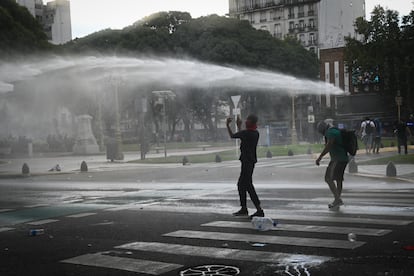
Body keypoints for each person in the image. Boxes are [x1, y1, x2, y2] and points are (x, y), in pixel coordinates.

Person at [226, 114, 264, 219]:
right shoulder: (255, 133)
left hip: (247, 162)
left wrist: (227, 125)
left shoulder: (247, 133)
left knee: (247, 185)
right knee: (242, 185)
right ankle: (245, 208)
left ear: (251, 122)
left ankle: (258, 209)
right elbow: (243, 135)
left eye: (248, 120)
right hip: (250, 162)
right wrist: (239, 126)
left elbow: (233, 136)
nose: (246, 121)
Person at [315, 120, 349, 209]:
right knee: (338, 179)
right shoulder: (335, 130)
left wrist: (320, 157)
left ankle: (338, 199)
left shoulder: (329, 132)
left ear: (322, 129)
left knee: (328, 178)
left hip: (337, 159)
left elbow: (329, 145)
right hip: (343, 158)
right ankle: (337, 200)